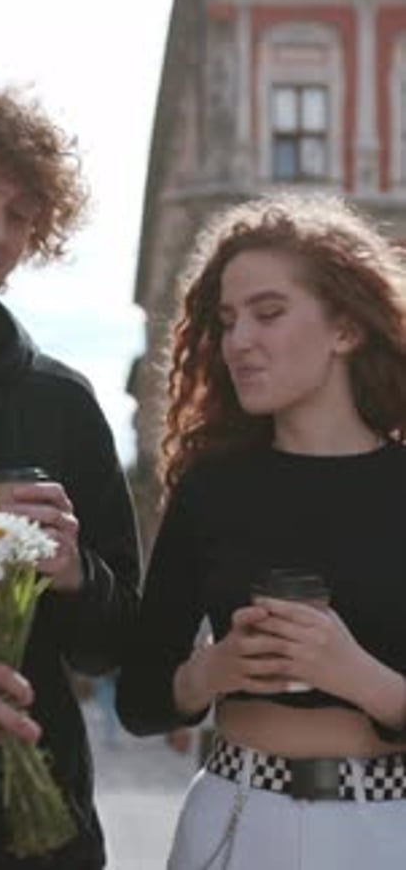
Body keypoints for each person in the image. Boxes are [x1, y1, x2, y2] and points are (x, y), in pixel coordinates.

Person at [116, 192, 406, 869]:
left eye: (268, 313)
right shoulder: (210, 489)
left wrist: (357, 676)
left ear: (346, 328)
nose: (238, 340)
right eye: (227, 320)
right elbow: (139, 698)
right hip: (235, 819)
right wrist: (210, 671)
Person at [0, 56, 141, 870]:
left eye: (18, 214)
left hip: (42, 840)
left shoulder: (64, 403)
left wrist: (79, 575)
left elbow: (117, 647)